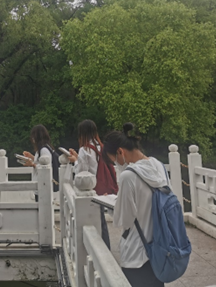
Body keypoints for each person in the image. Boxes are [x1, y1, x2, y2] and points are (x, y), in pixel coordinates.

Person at [103, 123, 168, 287]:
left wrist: (111, 205)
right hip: (159, 250)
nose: (116, 164)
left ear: (120, 152)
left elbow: (124, 221)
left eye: (115, 160)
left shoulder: (128, 177)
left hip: (136, 254)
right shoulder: (158, 166)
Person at [68, 119, 118, 248]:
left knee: (95, 220)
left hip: (92, 189)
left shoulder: (85, 149)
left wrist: (75, 161)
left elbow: (82, 172)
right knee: (101, 219)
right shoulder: (101, 147)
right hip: (103, 186)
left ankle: (100, 248)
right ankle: (106, 246)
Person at [23, 124, 60, 192]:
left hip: (43, 185)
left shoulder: (44, 150)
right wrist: (31, 157)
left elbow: (46, 167)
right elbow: (42, 161)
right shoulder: (43, 148)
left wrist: (32, 164)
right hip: (41, 184)